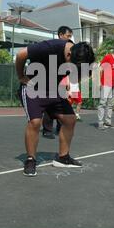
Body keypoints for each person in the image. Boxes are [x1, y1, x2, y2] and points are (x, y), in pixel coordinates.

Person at [16, 39, 95, 176]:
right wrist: (21, 76)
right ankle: (30, 159)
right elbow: (21, 54)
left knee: (70, 119)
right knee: (35, 122)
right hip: (32, 87)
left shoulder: (79, 58)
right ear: (69, 54)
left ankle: (63, 158)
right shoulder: (50, 47)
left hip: (53, 90)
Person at [42, 26, 73, 138]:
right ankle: (47, 130)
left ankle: (61, 126)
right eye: (68, 36)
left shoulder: (69, 48)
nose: (69, 38)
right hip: (49, 81)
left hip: (61, 81)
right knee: (49, 105)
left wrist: (68, 81)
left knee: (62, 104)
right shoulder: (51, 47)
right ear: (60, 35)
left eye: (70, 36)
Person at [97, 46, 114, 130]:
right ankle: (100, 123)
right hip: (106, 83)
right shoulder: (108, 57)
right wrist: (99, 82)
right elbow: (100, 69)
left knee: (110, 104)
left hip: (113, 84)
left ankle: (108, 122)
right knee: (102, 103)